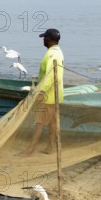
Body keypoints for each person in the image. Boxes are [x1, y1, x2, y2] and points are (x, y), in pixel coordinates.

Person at [18, 28, 64, 156]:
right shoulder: (58, 52)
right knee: (53, 122)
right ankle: (50, 148)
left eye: (44, 38)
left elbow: (51, 76)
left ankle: (30, 150)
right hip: (56, 94)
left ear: (48, 39)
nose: (43, 40)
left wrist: (41, 92)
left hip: (48, 95)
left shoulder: (51, 54)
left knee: (39, 122)